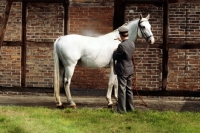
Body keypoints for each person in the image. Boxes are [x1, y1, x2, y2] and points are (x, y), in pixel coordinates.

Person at [113, 26, 135, 113]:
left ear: (121, 35)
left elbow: (115, 56)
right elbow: (126, 49)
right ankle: (131, 108)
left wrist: (115, 50)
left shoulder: (121, 46)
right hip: (130, 69)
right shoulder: (131, 43)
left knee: (122, 90)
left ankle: (122, 110)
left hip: (122, 70)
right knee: (129, 89)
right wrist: (121, 41)